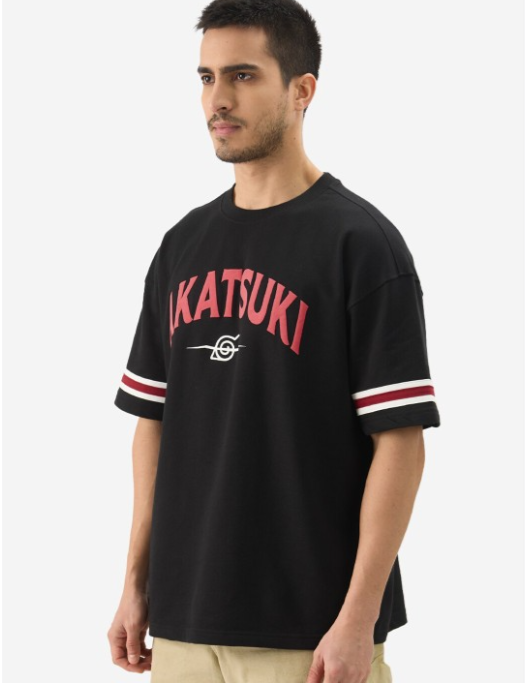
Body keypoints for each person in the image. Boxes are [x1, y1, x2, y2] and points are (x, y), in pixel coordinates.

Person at [107, 1, 441, 681]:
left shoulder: (360, 245)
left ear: (302, 89)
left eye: (243, 75)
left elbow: (401, 442)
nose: (218, 99)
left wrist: (357, 618)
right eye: (206, 77)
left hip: (311, 630)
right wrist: (135, 583)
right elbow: (153, 423)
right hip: (184, 620)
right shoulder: (182, 246)